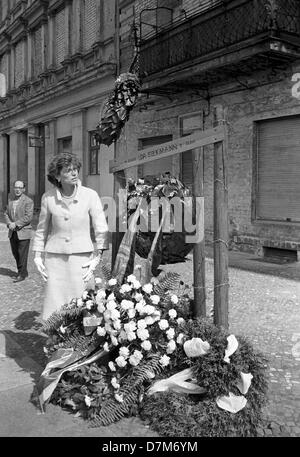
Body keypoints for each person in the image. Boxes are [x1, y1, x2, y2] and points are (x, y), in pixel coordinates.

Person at [32, 152, 109, 320]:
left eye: (75, 169)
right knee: (56, 304)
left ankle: (83, 344)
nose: (74, 173)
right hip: (54, 259)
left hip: (82, 259)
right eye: (68, 170)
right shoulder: (48, 198)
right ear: (57, 176)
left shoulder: (90, 195)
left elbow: (101, 227)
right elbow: (41, 230)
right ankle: (57, 342)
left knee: (83, 304)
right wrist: (37, 255)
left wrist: (98, 256)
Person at [4, 180, 34, 282]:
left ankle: (21, 274)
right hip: (12, 232)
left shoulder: (28, 201)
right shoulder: (10, 200)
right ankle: (22, 271)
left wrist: (15, 224)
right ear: (13, 188)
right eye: (16, 187)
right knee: (15, 253)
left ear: (24, 189)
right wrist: (9, 223)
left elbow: (28, 217)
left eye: (20, 188)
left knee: (22, 254)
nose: (17, 190)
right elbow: (6, 213)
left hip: (23, 232)